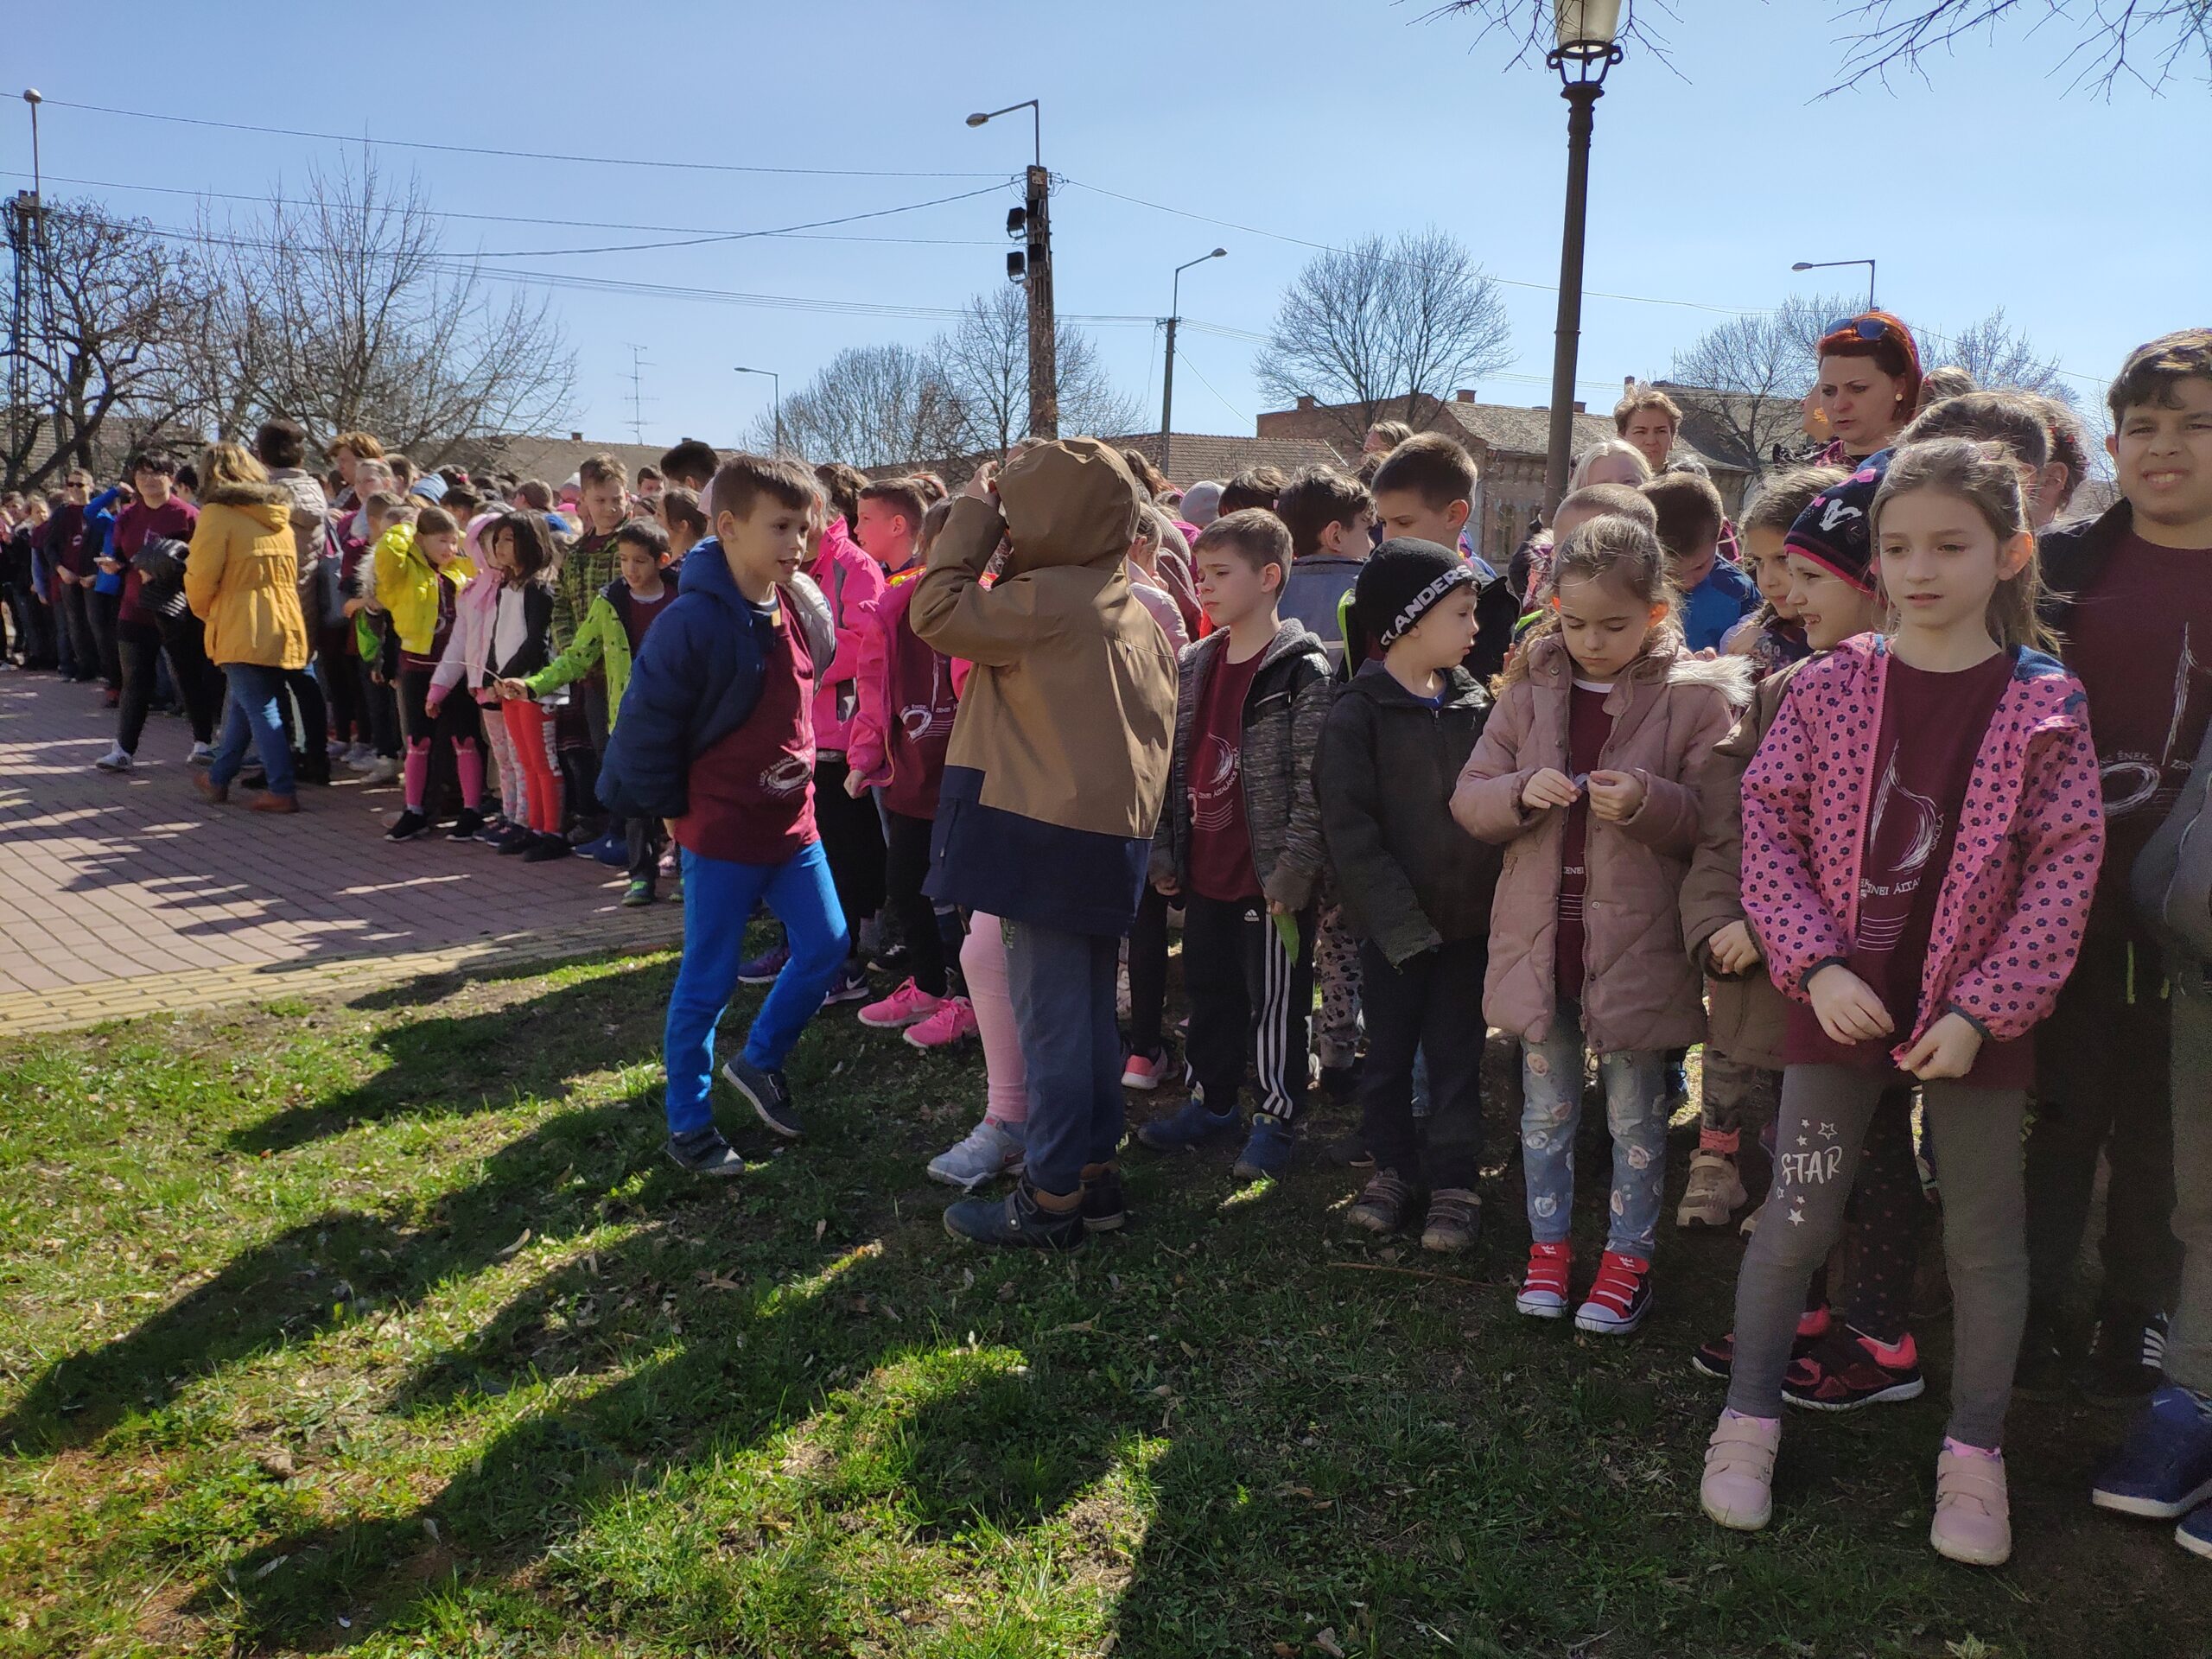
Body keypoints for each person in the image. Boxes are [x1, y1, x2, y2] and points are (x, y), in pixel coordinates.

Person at [1702, 437, 2104, 1567]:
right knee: (1798, 1216)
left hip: (1981, 1025)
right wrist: (1815, 964)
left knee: (1983, 1240)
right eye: (1896, 547)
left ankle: (1975, 1455)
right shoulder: (1826, 685)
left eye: (1949, 545)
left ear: (2011, 552)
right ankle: (1748, 1417)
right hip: (1838, 1006)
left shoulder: (2047, 705)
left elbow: (2063, 871)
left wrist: (1984, 1010)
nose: (1918, 569)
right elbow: (1767, 832)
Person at [1455, 514, 1750, 1334]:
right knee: (1544, 1109)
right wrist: (1519, 793)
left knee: (1636, 1114)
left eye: (1613, 625)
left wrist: (1651, 804)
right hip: (1541, 947)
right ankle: (1548, 1249)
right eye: (1574, 622)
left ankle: (1629, 1258)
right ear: (1552, 609)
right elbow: (1470, 797)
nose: (1590, 641)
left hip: (1637, 948)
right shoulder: (1528, 689)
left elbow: (1718, 823)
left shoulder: (1693, 701)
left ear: (1657, 613)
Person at [911, 441, 1178, 1249]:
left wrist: (975, 519)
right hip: (1104, 840)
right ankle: (1093, 1178)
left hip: (1038, 838)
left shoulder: (1047, 600)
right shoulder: (1128, 604)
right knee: (1087, 1018)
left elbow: (933, 610)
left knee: (1051, 1025)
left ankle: (1052, 1196)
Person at [2028, 328, 2212, 1403]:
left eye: (2196, 426)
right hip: (2057, 900)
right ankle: (2034, 1291)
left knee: (2163, 1123)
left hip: (2189, 908)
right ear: (2110, 444)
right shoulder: (2059, 570)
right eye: (2143, 427)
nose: (2166, 448)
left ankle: (2139, 1310)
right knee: (2060, 1105)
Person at [597, 454, 842, 1171]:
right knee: (705, 983)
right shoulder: (689, 623)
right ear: (728, 528)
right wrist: (673, 811)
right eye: (780, 526)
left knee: (826, 946)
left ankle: (760, 1061)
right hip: (723, 835)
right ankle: (690, 1126)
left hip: (795, 830)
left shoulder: (795, 603)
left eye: (804, 526)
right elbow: (646, 728)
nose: (797, 542)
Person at [1678, 466, 1850, 1233]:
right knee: (1732, 1027)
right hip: (1745, 879)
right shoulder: (1757, 650)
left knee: (1796, 1043)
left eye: (1791, 563)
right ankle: (1717, 1158)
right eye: (1761, 566)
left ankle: (1789, 1172)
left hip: (1816, 905)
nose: (1776, 583)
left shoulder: (1835, 663)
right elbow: (1730, 783)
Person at [1138, 509, 1332, 1179]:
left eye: (1220, 574)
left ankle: (1276, 1118)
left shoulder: (1301, 674)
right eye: (1202, 574)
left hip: (1270, 884)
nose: (1206, 587)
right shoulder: (1195, 662)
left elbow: (1315, 785)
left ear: (1270, 576)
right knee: (1210, 990)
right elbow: (1170, 765)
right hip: (1207, 872)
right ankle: (1211, 1101)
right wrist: (1166, 851)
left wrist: (1295, 869)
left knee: (1276, 1004)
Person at [1315, 540, 1498, 1249]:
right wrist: (1400, 927)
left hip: (1467, 931)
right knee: (1388, 1057)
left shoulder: (1477, 707)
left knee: (1456, 1058)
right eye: (1462, 613)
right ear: (1408, 623)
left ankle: (1454, 1182)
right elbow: (1350, 833)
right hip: (1394, 936)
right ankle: (1391, 1168)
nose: (1476, 630)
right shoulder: (1356, 716)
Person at [847, 499, 975, 1047]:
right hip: (914, 775)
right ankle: (927, 984)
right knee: (904, 886)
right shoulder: (896, 607)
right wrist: (863, 757)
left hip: (971, 779)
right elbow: (874, 689)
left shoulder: (991, 605)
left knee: (972, 902)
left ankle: (971, 1001)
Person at [512, 520, 679, 900]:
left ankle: (686, 871)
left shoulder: (681, 597)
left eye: (640, 561)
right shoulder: (611, 602)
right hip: (629, 714)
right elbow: (578, 655)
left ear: (662, 560)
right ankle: (641, 875)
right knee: (635, 799)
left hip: (676, 713)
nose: (631, 570)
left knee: (679, 797)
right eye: (623, 560)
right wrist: (535, 684)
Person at [183, 442, 313, 814]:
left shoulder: (217, 514)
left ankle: (282, 788)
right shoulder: (277, 514)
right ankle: (219, 777)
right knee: (243, 703)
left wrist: (205, 612)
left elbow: (202, 576)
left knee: (260, 707)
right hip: (283, 616)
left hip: (241, 618)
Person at [372, 506, 484, 843]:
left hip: (456, 667)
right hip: (417, 664)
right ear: (420, 540)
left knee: (464, 739)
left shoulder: (459, 570)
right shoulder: (404, 573)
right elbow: (386, 556)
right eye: (441, 541)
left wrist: (456, 536)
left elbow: (474, 556)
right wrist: (406, 527)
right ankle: (415, 810)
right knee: (418, 741)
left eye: (453, 541)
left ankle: (472, 811)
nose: (450, 548)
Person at [1370, 434, 1516, 682]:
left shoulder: (1490, 604)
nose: (1388, 537)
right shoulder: (1372, 591)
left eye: (1403, 522)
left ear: (1454, 515)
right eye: (1383, 522)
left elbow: (1481, 703)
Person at [96, 449, 204, 772]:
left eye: (154, 472)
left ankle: (203, 742)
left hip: (175, 608)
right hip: (134, 607)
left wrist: (169, 570)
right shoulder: (127, 516)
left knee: (188, 674)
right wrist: (115, 566)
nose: (146, 479)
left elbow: (199, 561)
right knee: (135, 680)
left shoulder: (187, 515)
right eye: (140, 473)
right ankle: (123, 750)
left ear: (170, 477)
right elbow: (119, 553)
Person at [479, 512, 569, 863]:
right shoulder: (506, 586)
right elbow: (500, 633)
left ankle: (553, 832)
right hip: (509, 687)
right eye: (496, 539)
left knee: (544, 762)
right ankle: (532, 826)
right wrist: (491, 675)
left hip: (534, 687)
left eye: (507, 539)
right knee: (526, 762)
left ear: (529, 543)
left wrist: (509, 676)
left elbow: (536, 641)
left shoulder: (538, 588)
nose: (498, 546)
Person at [556, 454, 634, 855]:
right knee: (601, 749)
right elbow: (563, 605)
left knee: (626, 749)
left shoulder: (633, 545)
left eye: (615, 499)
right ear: (584, 500)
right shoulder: (578, 552)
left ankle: (629, 834)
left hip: (626, 668)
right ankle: (612, 827)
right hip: (590, 671)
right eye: (600, 500)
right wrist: (573, 649)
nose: (609, 508)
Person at [430, 512, 524, 846]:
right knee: (501, 758)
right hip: (483, 689)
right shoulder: (473, 591)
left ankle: (522, 819)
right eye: (488, 543)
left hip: (512, 687)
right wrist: (439, 687)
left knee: (519, 758)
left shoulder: (516, 588)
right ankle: (508, 813)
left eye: (503, 541)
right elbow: (460, 640)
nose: (496, 549)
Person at [254, 420, 332, 787]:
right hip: (306, 595)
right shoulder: (313, 488)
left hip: (276, 595)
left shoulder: (269, 494)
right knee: (303, 678)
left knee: (270, 682)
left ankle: (282, 757)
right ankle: (314, 756)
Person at [1718, 466, 1844, 677]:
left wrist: (1778, 656)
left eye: (1783, 559)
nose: (1767, 581)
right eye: (1757, 561)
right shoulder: (1756, 632)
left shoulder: (1870, 638)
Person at [1641, 472, 1756, 653]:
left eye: (1699, 566)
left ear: (1719, 533)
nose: (1688, 582)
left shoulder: (1738, 590)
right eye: (1671, 574)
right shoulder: (1636, 586)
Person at [1276, 466, 1376, 671]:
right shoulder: (1371, 589)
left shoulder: (1269, 592)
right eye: (1367, 531)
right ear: (1335, 536)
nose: (1372, 544)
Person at [1814, 311, 1924, 464]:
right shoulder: (1801, 474)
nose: (1839, 405)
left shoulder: (1935, 474)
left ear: (1900, 386)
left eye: (1858, 389)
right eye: (1828, 391)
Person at [1615, 384, 1683, 474]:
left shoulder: (1686, 487)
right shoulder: (1603, 485)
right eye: (1641, 432)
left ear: (1672, 439)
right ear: (1622, 439)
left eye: (1661, 431)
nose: (1651, 441)